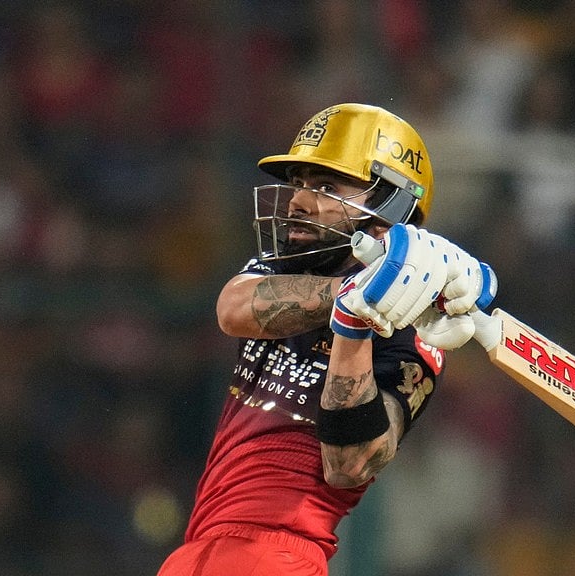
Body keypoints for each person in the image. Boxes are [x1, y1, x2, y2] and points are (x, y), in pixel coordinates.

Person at [156, 103, 494, 576]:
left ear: (386, 209)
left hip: (277, 556)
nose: (297, 201)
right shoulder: (289, 270)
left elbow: (351, 464)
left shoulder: (413, 337)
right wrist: (353, 294)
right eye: (299, 184)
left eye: (326, 187)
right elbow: (232, 310)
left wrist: (357, 325)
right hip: (202, 550)